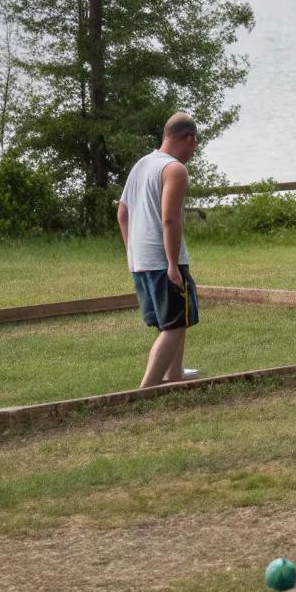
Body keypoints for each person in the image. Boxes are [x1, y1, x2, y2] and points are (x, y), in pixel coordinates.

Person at [118, 112, 201, 388]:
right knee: (174, 326)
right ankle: (147, 388)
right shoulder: (174, 169)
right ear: (188, 139)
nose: (194, 151)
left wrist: (132, 252)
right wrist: (173, 264)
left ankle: (174, 375)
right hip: (163, 260)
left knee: (175, 321)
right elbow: (169, 218)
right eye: (195, 144)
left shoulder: (142, 165)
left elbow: (122, 213)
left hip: (141, 261)